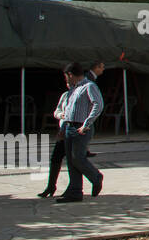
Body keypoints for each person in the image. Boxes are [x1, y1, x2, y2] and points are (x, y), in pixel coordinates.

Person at [56, 62, 103, 203]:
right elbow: (68, 110)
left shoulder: (89, 86)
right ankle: (75, 191)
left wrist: (87, 123)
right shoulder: (74, 89)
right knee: (71, 161)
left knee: (78, 158)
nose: (66, 80)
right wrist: (63, 128)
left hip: (81, 127)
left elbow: (98, 105)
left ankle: (96, 177)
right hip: (70, 127)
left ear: (70, 74)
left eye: (66, 76)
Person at [37, 85, 71, 198]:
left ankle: (94, 178)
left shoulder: (80, 96)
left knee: (76, 161)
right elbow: (57, 110)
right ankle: (51, 186)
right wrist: (60, 115)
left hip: (72, 132)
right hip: (63, 132)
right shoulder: (65, 95)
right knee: (56, 158)